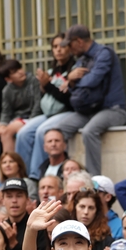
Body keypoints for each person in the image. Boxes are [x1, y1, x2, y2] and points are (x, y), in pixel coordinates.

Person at [31, 25, 126, 177]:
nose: (69, 49)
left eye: (69, 45)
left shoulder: (104, 54)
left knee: (89, 131)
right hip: (88, 110)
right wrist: (70, 79)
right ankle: (57, 175)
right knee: (56, 132)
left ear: (79, 42)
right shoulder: (82, 59)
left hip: (112, 109)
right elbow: (68, 89)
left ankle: (93, 181)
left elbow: (93, 80)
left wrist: (72, 80)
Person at [23, 33, 76, 176]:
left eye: (62, 46)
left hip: (67, 111)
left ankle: (35, 176)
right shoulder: (51, 70)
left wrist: (49, 85)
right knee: (24, 132)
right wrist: (43, 85)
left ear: (70, 48)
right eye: (54, 46)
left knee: (42, 132)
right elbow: (42, 99)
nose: (58, 50)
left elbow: (71, 100)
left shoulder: (74, 70)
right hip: (48, 113)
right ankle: (21, 174)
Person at [0, 58, 41, 157]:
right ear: (8, 79)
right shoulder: (7, 90)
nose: (20, 72)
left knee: (6, 132)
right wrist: (3, 124)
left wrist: (32, 121)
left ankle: (10, 165)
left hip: (29, 118)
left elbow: (38, 104)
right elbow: (6, 111)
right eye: (15, 72)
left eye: (19, 68)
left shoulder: (33, 81)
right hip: (15, 118)